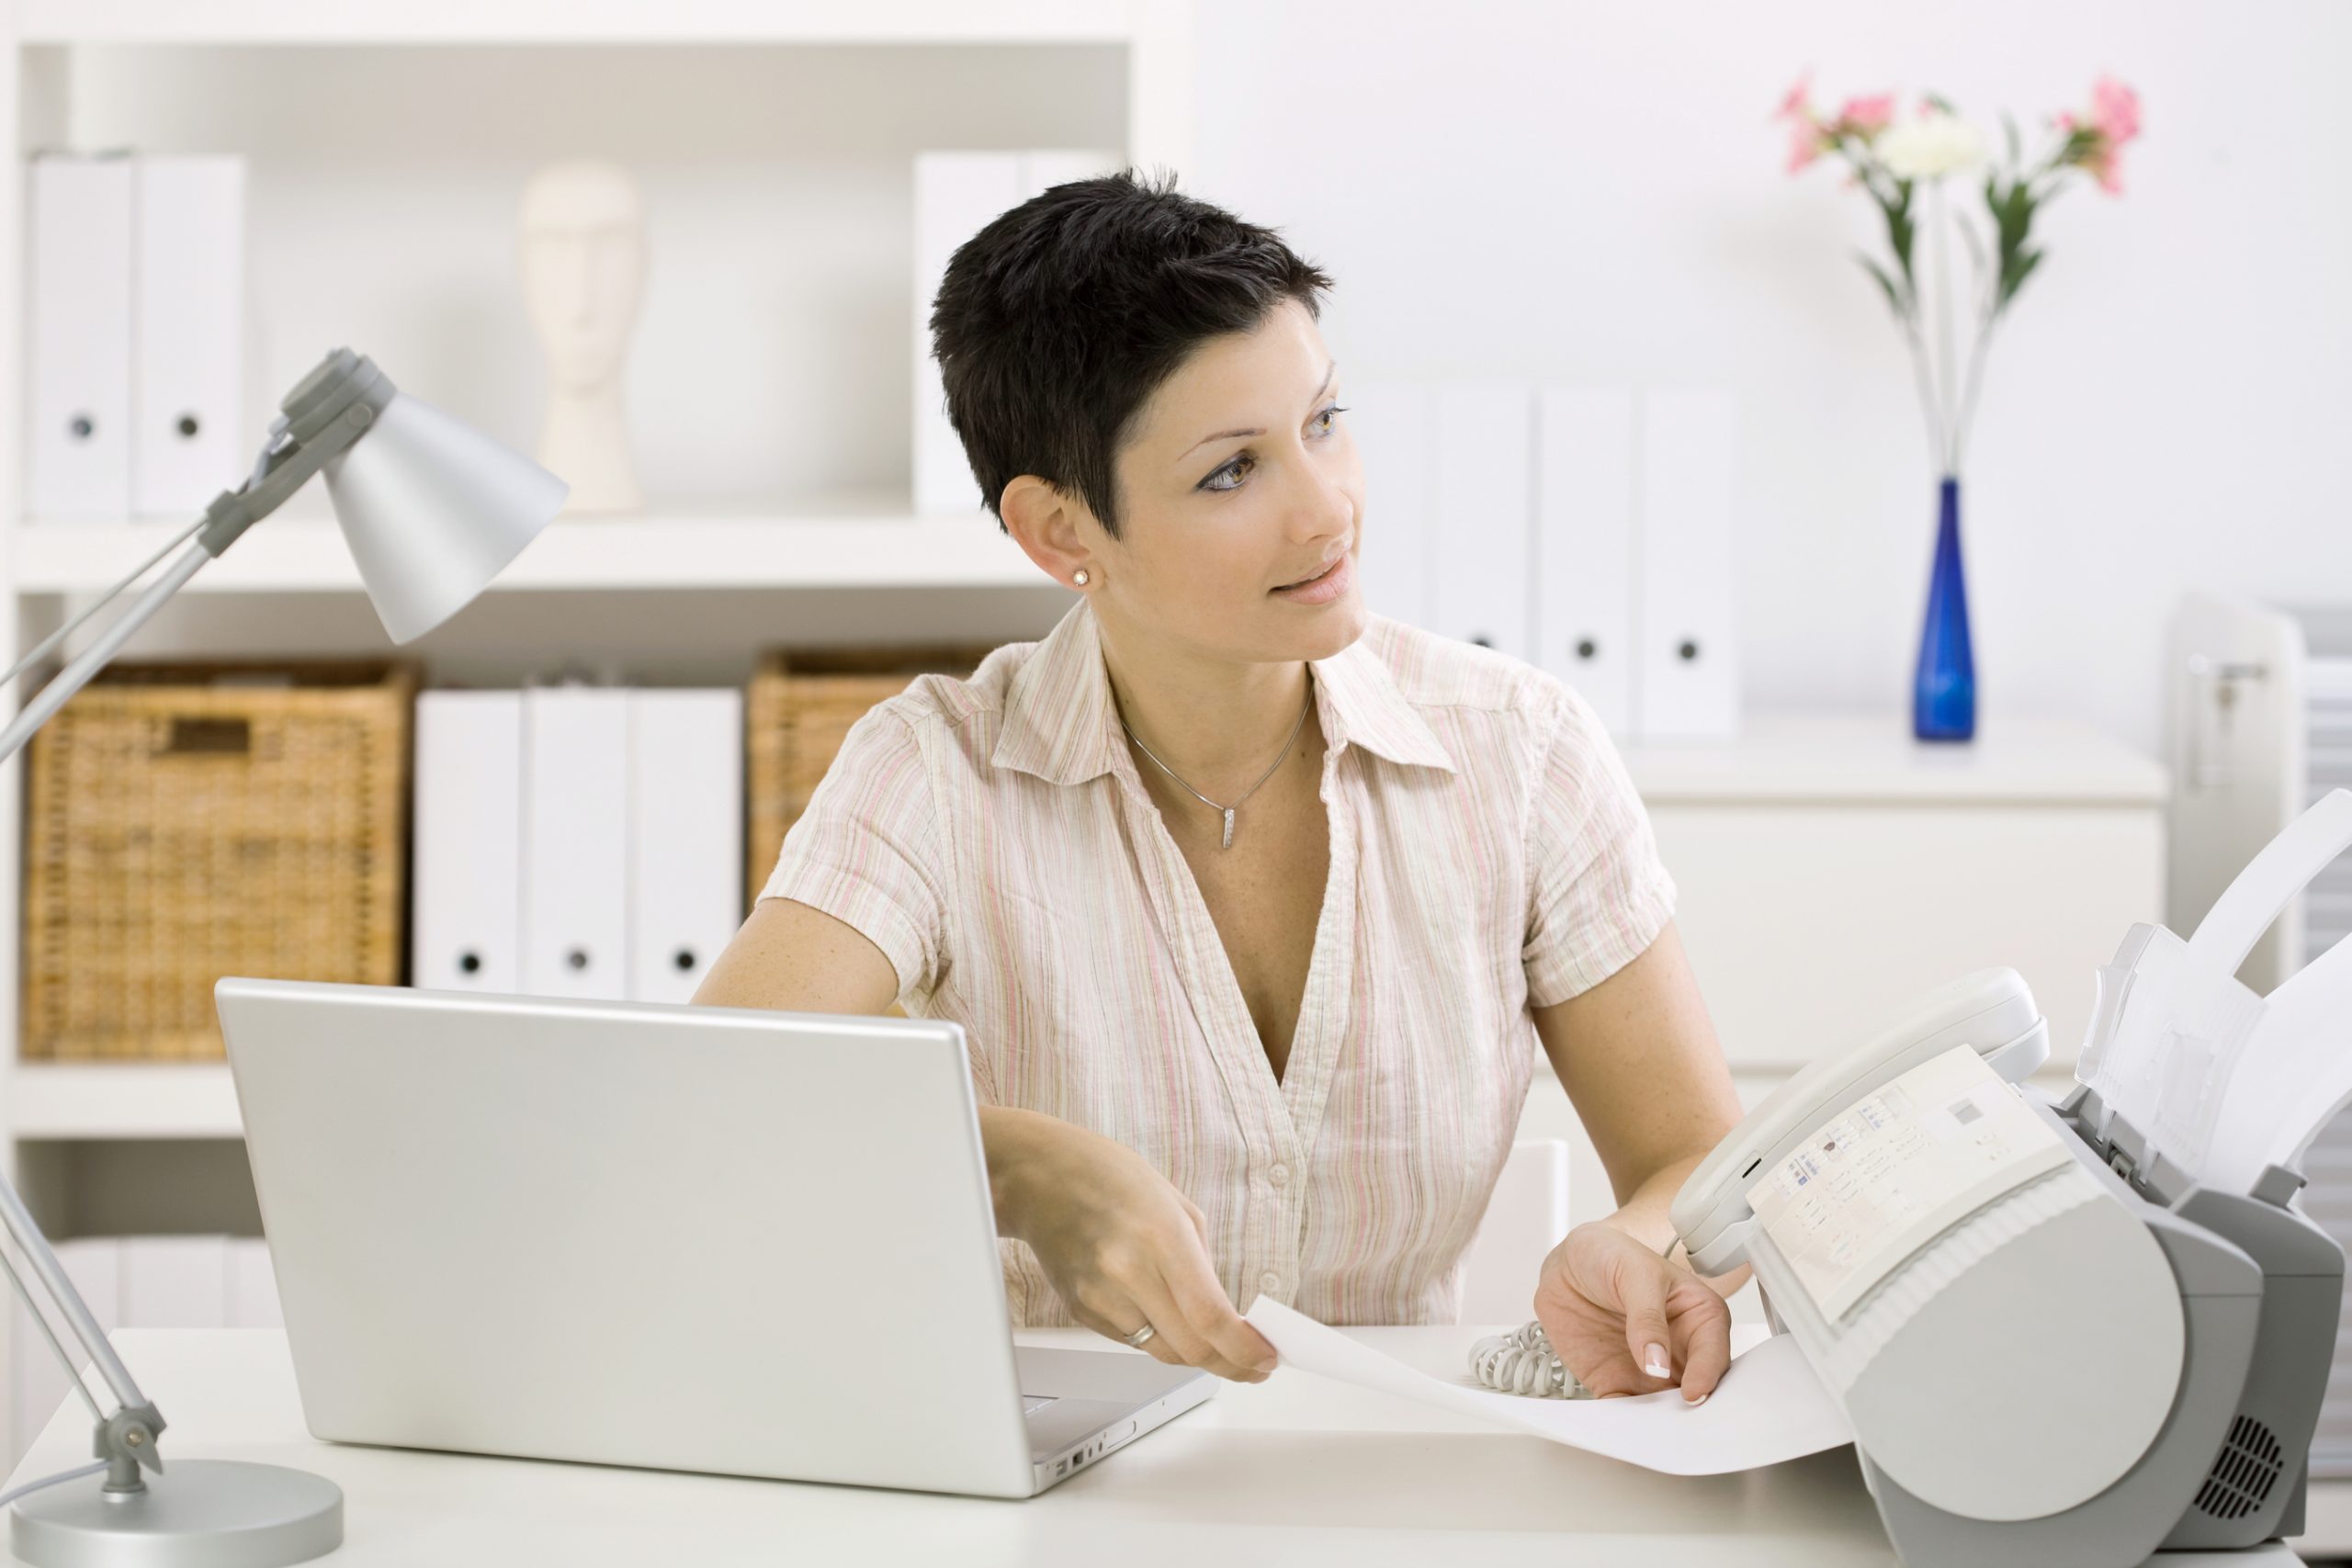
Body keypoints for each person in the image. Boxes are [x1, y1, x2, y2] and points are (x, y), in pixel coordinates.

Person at [696, 170, 1751, 1402]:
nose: (1326, 511)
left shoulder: (1519, 752)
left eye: (1323, 421)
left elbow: (1695, 1158)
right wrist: (1016, 1170)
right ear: (1062, 534)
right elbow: (713, 1101)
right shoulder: (936, 769)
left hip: (1404, 1474)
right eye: (1229, 473)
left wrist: (1637, 1248)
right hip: (1054, 1492)